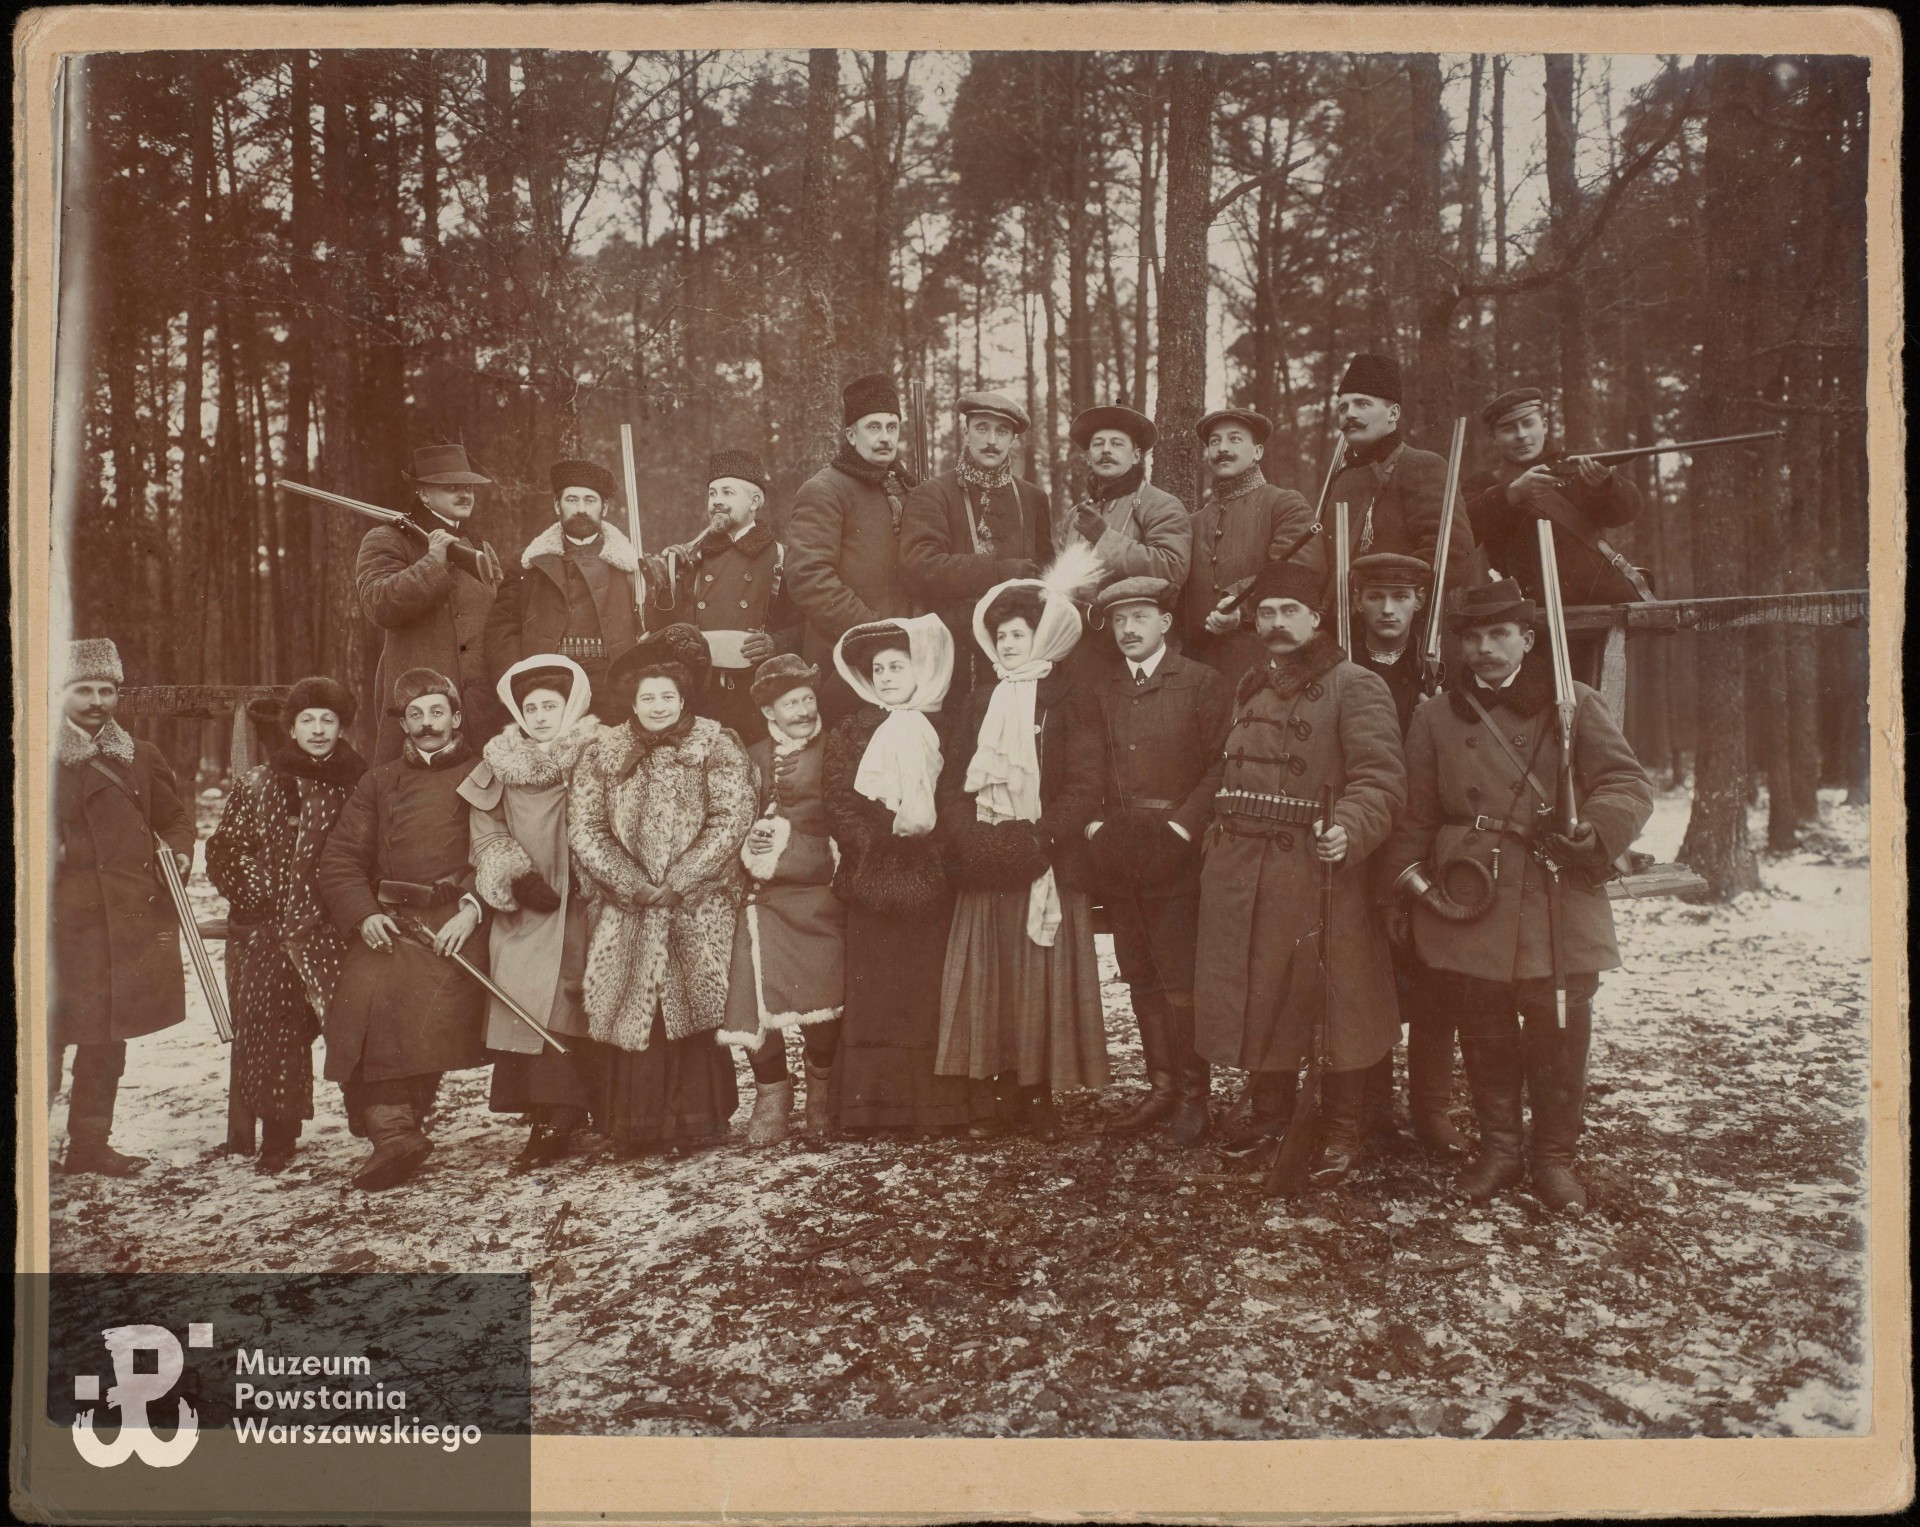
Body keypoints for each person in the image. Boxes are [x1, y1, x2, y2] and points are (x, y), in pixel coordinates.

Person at [1381, 579, 1654, 1214]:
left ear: (1527, 640)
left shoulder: (1573, 704)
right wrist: (1403, 893)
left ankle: (1554, 1160)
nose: (1484, 650)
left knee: (1559, 1028)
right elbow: (1415, 813)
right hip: (1468, 892)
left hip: (1554, 886)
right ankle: (1500, 1152)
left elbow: (1626, 783)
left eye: (1499, 635)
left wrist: (1597, 829)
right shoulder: (1435, 714)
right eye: (1471, 638)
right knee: (1483, 1026)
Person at [1193, 562, 1407, 1184]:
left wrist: (1354, 827)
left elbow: (1382, 779)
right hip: (1240, 865)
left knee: (1335, 999)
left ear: (1317, 619)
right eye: (1267, 612)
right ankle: (1269, 1113)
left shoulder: (1355, 683)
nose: (1278, 623)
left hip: (1317, 866)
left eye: (1291, 611)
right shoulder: (1250, 684)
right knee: (1261, 994)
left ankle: (1343, 1127)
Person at [568, 626, 757, 1158]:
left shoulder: (715, 744)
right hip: (625, 906)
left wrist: (681, 881)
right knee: (635, 1008)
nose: (657, 706)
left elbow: (731, 817)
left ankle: (696, 1122)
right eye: (646, 697)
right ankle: (634, 1125)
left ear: (683, 697)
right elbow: (586, 827)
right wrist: (630, 884)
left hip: (694, 904)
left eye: (666, 697)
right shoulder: (603, 751)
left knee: (688, 1005)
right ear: (631, 700)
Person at [936, 566, 1108, 1141]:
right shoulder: (980, 699)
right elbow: (955, 778)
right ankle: (993, 1091)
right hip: (986, 856)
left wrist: (1039, 839)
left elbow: (1085, 784)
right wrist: (970, 840)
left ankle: (1037, 1093)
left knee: (1037, 974)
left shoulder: (1069, 698)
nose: (1009, 644)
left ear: (1045, 638)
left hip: (1045, 858)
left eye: (1020, 634)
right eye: (1002, 636)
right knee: (990, 972)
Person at [316, 668, 490, 1190]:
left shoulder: (486, 773)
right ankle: (394, 1134)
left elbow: (505, 850)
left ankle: (397, 1125)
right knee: (361, 997)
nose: (427, 723)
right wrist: (364, 912)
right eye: (415, 715)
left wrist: (474, 906)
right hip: (392, 919)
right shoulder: (380, 781)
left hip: (459, 919)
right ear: (403, 725)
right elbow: (340, 858)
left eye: (437, 711)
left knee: (417, 1004)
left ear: (456, 717)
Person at [1078, 576, 1233, 1146]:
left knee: (1179, 976)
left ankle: (1195, 1097)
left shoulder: (1201, 683)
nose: (1129, 629)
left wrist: (1182, 825)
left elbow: (1223, 764)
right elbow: (1086, 765)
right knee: (1138, 969)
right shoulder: (1102, 690)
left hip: (1177, 850)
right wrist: (1095, 825)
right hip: (1120, 849)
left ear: (1165, 622)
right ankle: (1161, 1088)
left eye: (1140, 616)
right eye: (1119, 620)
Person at [821, 613, 986, 1135]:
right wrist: (876, 848)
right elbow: (839, 800)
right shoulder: (853, 729)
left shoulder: (948, 726)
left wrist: (932, 852)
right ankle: (872, 1108)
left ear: (924, 668)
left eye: (898, 665)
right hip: (871, 874)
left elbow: (959, 792)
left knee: (929, 990)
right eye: (879, 668)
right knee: (876, 990)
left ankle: (936, 1108)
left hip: (936, 874)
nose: (888, 676)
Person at [205, 676, 368, 1174]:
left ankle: (376, 1120)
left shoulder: (362, 784)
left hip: (336, 928)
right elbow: (225, 849)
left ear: (341, 727)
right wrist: (261, 899)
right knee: (274, 1031)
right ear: (291, 727)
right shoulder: (258, 782)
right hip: (268, 931)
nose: (318, 730)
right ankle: (278, 1134)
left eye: (328, 720)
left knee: (355, 1023)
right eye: (307, 721)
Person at [51, 638, 195, 1176]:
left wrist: (178, 855)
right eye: (83, 689)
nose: (96, 700)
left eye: (106, 689)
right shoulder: (34, 753)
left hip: (125, 921)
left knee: (106, 1037)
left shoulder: (140, 755)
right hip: (60, 924)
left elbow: (176, 820)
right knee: (46, 1038)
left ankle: (89, 1145)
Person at [460, 654, 603, 1173]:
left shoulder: (600, 752)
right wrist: (515, 875)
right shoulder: (499, 763)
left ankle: (570, 1115)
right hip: (528, 906)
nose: (541, 715)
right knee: (528, 1002)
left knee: (576, 1002)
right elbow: (487, 831)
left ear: (572, 705)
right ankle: (546, 1116)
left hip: (589, 903)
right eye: (531, 707)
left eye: (551, 705)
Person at [1347, 552, 1468, 1156]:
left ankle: (1432, 1110)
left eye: (1401, 597)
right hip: (1360, 836)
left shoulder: (1445, 670)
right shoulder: (1342, 665)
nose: (1388, 609)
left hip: (1427, 838)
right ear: (1358, 603)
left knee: (1434, 977)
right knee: (1363, 975)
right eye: (1376, 597)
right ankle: (1368, 1107)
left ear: (1421, 602)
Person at [716, 655, 846, 1146]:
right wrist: (751, 842)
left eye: (808, 700)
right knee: (746, 978)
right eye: (791, 703)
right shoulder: (750, 756)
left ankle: (821, 1090)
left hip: (820, 888)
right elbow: (730, 820)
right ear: (770, 712)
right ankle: (772, 1092)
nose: (803, 710)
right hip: (763, 894)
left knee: (822, 992)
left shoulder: (835, 750)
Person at [1463, 387, 1647, 687]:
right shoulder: (1485, 484)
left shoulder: (1577, 468)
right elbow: (1463, 530)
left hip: (1596, 616)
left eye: (1529, 424)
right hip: (1530, 623)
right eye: (1509, 429)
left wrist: (1605, 483)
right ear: (1494, 438)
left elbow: (1626, 512)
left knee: (1596, 707)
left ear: (1544, 426)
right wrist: (1511, 494)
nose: (1522, 435)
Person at [786, 374, 923, 719]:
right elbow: (809, 578)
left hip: (909, 662)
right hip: (847, 663)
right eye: (873, 427)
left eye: (892, 427)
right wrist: (874, 632)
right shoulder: (825, 490)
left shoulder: (911, 489)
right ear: (851, 435)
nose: (884, 438)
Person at [639, 450, 803, 737]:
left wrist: (776, 643)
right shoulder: (690, 557)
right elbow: (661, 630)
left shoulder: (780, 557)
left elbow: (806, 623)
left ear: (755, 502)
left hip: (756, 695)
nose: (717, 501)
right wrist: (662, 590)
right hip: (701, 694)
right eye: (712, 493)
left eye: (728, 492)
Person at [899, 390, 1050, 701]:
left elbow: (1048, 566)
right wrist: (995, 572)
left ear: (1013, 440)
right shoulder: (934, 493)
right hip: (955, 650)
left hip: (1020, 651)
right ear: (965, 432)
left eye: (1002, 431)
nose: (991, 440)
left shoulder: (1033, 498)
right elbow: (919, 566)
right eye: (982, 428)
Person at [360, 444, 504, 763]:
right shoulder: (386, 539)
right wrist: (434, 563)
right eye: (451, 487)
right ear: (424, 495)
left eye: (467, 487)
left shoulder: (480, 547)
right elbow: (378, 603)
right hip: (419, 709)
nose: (464, 494)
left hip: (480, 709)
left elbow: (499, 620)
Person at [1178, 407, 1323, 693]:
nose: (1223, 449)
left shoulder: (1284, 504)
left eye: (1234, 439)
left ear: (1257, 452)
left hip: (1267, 668)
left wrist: (1240, 608)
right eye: (1215, 442)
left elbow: (1298, 571)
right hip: (1197, 673)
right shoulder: (1192, 523)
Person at [483, 459, 643, 718]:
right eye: (572, 499)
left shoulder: (632, 565)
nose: (581, 509)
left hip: (611, 685)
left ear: (605, 507)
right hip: (547, 683)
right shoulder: (527, 564)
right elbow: (502, 629)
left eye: (590, 500)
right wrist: (519, 682)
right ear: (557, 505)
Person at [1324, 354, 1477, 593]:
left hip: (1402, 622)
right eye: (1343, 407)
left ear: (1393, 414)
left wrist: (1385, 596)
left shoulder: (1422, 465)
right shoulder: (1341, 478)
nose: (1349, 414)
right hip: (1341, 620)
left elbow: (1451, 555)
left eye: (1362, 404)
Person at [1061, 405, 1192, 598]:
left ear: (1136, 456)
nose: (1106, 450)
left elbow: (1173, 568)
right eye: (1098, 444)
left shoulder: (1161, 505)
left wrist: (1103, 538)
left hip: (1132, 624)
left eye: (1117, 444)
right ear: (1089, 458)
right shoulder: (1076, 515)